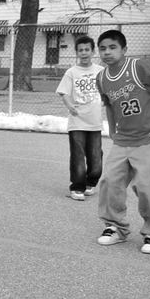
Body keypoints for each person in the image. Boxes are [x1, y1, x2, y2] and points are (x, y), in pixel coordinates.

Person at [94, 29, 150, 254]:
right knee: (110, 182)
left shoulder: (139, 67)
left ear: (124, 50)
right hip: (123, 140)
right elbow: (109, 104)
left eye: (112, 47)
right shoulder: (101, 78)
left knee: (145, 186)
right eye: (102, 48)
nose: (107, 52)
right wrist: (112, 129)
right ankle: (116, 227)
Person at [55, 35, 103, 201]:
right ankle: (77, 187)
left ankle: (91, 182)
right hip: (77, 122)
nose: (84, 53)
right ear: (76, 52)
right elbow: (64, 92)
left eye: (87, 50)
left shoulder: (100, 71)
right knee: (78, 156)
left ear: (93, 51)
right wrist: (70, 106)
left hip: (95, 122)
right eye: (80, 50)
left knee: (96, 158)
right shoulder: (71, 72)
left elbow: (107, 90)